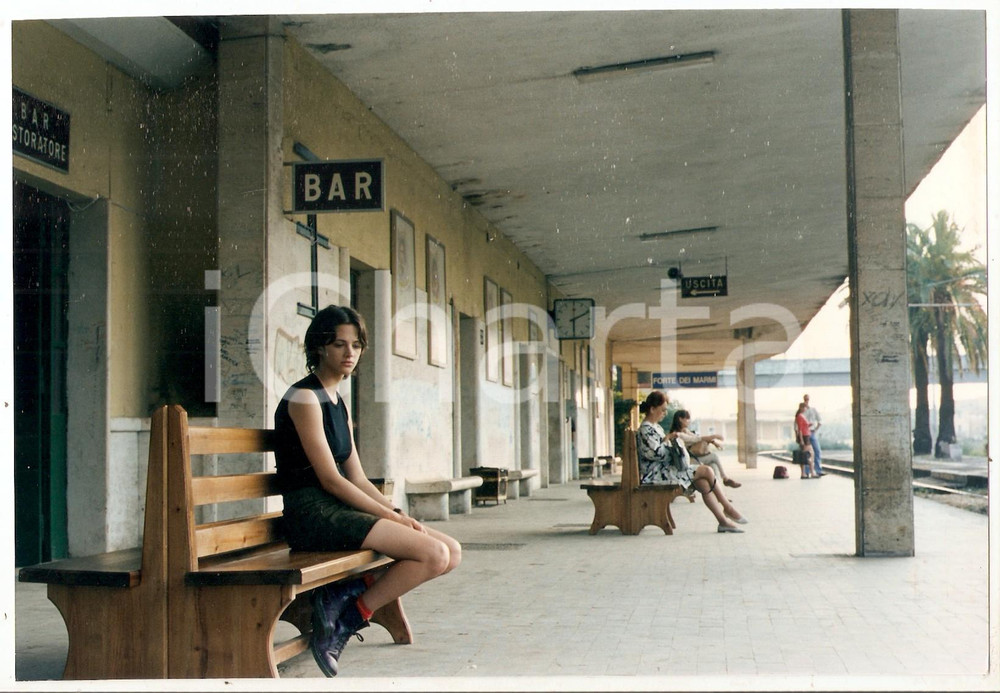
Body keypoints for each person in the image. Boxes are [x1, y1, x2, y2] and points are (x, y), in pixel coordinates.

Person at [273, 305, 461, 677]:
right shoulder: (304, 398)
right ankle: (345, 622)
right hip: (313, 514)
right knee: (432, 555)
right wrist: (388, 516)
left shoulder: (338, 403)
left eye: (356, 345)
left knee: (451, 552)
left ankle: (341, 601)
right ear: (319, 347)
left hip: (339, 510)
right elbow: (330, 479)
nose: (349, 353)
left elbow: (357, 477)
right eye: (339, 344)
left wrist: (397, 512)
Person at [636, 391, 747, 533]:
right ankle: (727, 507)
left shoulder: (655, 428)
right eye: (663, 410)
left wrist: (670, 442)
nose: (664, 413)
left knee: (704, 483)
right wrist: (671, 442)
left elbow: (663, 448)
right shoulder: (646, 429)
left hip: (662, 470)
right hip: (655, 474)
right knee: (706, 470)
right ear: (652, 409)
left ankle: (723, 521)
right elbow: (656, 454)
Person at [669, 409, 741, 488]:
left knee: (713, 466)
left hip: (693, 458)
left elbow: (697, 437)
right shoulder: (678, 434)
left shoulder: (685, 431)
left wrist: (714, 442)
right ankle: (725, 479)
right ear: (680, 419)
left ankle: (721, 494)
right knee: (714, 457)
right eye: (687, 419)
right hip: (687, 462)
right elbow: (696, 439)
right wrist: (714, 436)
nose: (689, 421)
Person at [802, 394, 824, 475]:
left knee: (817, 451)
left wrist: (815, 429)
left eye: (807, 399)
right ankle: (807, 471)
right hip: (804, 434)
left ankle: (818, 470)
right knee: (807, 453)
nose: (806, 401)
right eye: (805, 399)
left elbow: (820, 421)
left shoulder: (813, 410)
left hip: (812, 432)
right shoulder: (801, 411)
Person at [794, 401, 816, 479]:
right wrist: (802, 440)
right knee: (810, 454)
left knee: (804, 455)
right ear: (802, 408)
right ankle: (812, 472)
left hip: (805, 436)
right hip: (804, 437)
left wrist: (809, 424)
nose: (806, 409)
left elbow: (803, 427)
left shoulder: (800, 416)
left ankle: (804, 473)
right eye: (805, 407)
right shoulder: (800, 416)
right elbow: (800, 429)